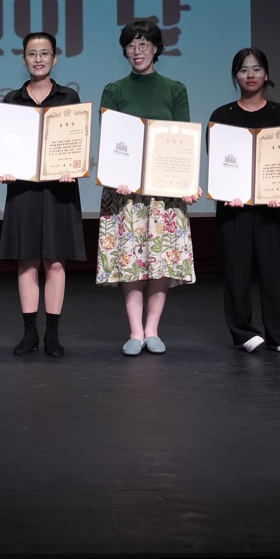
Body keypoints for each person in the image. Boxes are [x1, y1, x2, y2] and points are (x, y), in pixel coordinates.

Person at [96, 19, 198, 355]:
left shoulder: (174, 89)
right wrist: (116, 176)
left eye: (143, 44)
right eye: (130, 45)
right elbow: (111, 141)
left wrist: (187, 182)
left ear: (156, 49)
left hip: (164, 192)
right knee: (131, 261)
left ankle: (152, 329)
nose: (137, 51)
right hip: (125, 193)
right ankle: (135, 331)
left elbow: (182, 140)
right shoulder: (114, 90)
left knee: (160, 260)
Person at [0, 31, 86, 357]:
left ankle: (52, 334)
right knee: (27, 261)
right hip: (23, 189)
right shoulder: (12, 100)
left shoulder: (68, 97)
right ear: (24, 59)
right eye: (32, 53)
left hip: (59, 189)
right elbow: (5, 145)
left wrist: (73, 166)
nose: (38, 59)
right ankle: (29, 332)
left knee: (56, 262)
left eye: (44, 53)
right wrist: (4, 168)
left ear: (54, 58)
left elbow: (76, 143)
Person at [208, 48, 280, 353]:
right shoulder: (222, 116)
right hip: (233, 208)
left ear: (266, 74)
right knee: (236, 273)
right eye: (244, 69)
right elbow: (218, 161)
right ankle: (243, 332)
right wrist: (227, 190)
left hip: (273, 207)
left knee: (274, 271)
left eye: (257, 69)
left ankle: (279, 334)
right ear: (235, 76)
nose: (250, 75)